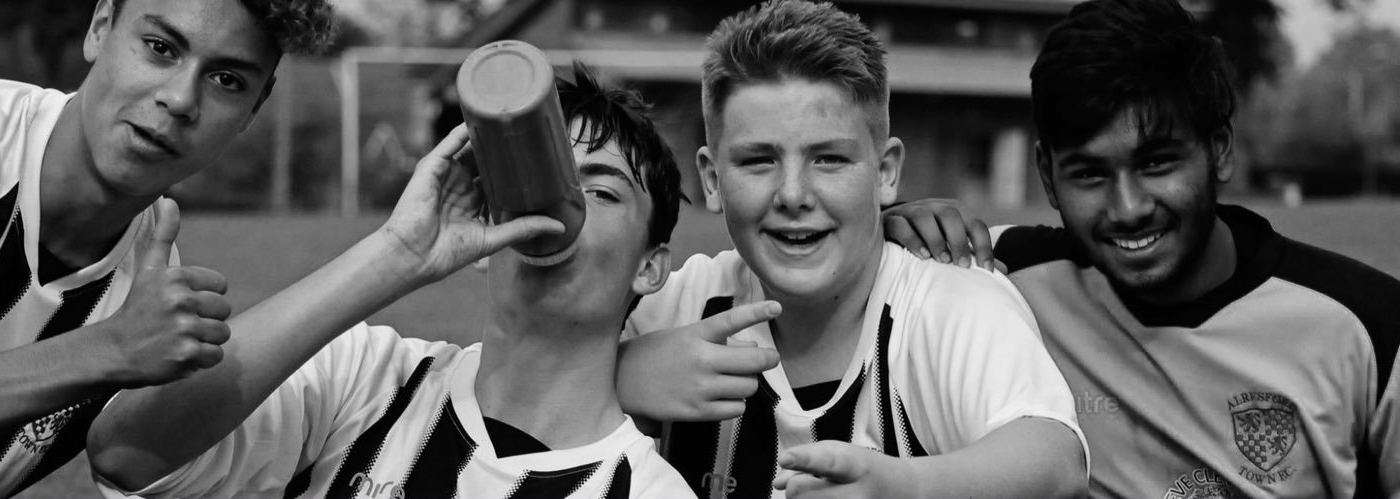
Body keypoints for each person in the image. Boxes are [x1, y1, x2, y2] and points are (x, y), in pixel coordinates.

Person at [87, 66, 699, 499]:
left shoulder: (647, 490)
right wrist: (396, 255)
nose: (557, 208)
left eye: (600, 190)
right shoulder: (363, 382)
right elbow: (126, 452)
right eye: (540, 177)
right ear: (491, 224)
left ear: (650, 266)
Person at [882, 0, 1400, 496]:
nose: (1127, 208)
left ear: (1219, 151)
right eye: (1089, 173)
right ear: (1047, 176)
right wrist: (885, 228)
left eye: (1156, 163)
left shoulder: (1372, 326)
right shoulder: (994, 278)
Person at [614, 2, 1088, 498]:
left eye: (829, 159)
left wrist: (902, 488)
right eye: (758, 161)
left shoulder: (949, 298)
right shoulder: (676, 304)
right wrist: (622, 374)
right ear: (712, 180)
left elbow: (1055, 462)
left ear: (885, 173)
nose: (793, 194)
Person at [0, 0, 334, 497]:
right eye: (160, 48)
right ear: (100, 28)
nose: (180, 99)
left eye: (227, 81)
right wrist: (109, 349)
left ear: (252, 112)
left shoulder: (149, 295)